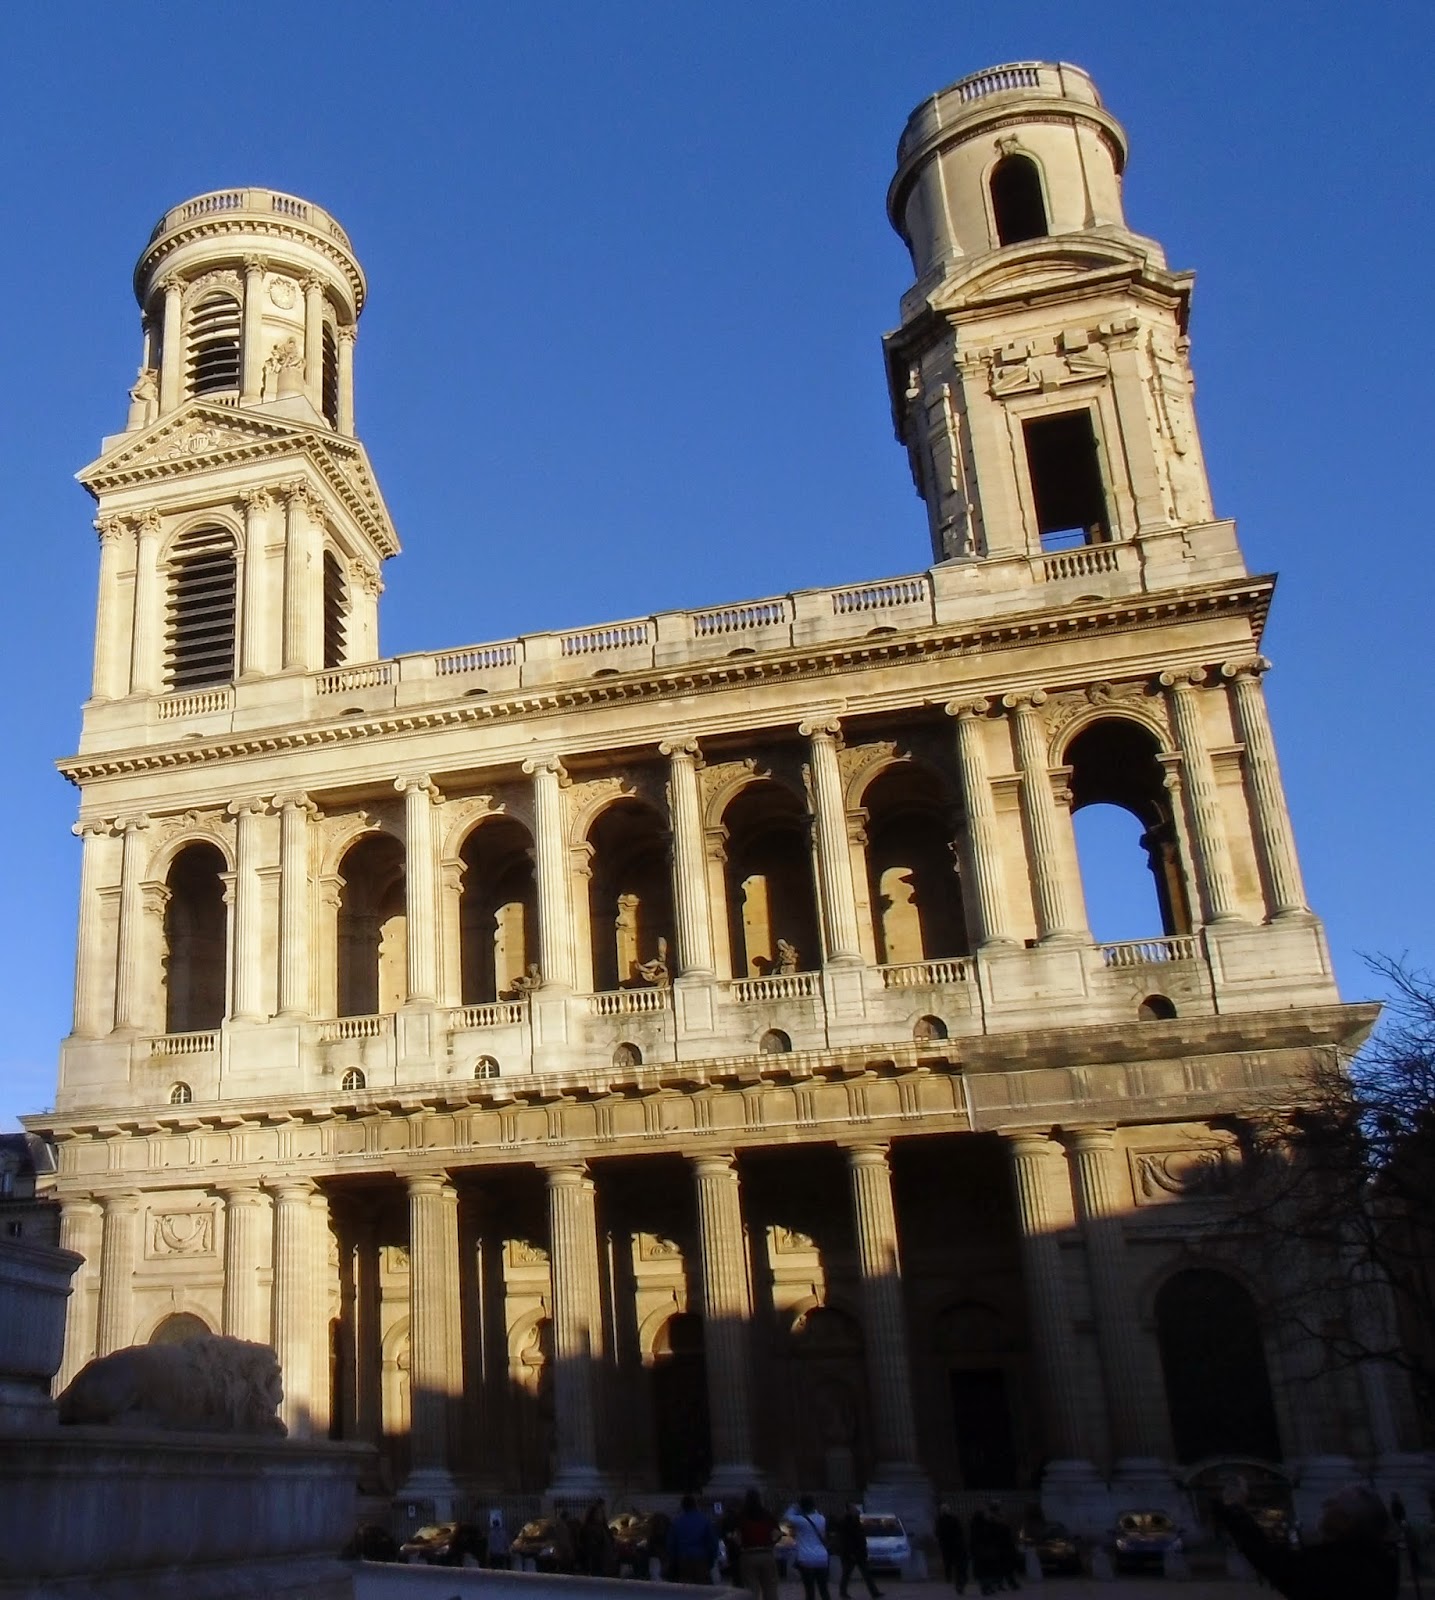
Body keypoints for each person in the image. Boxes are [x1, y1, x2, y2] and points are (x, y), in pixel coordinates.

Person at [1214, 1476, 1398, 1600]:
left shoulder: (1334, 1567)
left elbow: (1268, 1558)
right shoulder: (1381, 1561)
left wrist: (1235, 1508)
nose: (1325, 1504)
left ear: (1346, 1521)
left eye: (1333, 1503)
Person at [735, 1488, 781, 1600]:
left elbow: (737, 1538)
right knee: (770, 1588)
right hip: (766, 1553)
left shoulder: (742, 1516)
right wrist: (771, 1544)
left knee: (751, 1590)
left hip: (748, 1554)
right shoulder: (767, 1515)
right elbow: (777, 1534)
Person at [784, 1495, 832, 1600]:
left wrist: (794, 1506)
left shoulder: (800, 1520)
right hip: (822, 1557)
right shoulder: (821, 1518)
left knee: (809, 1591)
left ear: (802, 1507)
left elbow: (787, 1516)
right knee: (824, 1589)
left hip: (806, 1558)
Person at [668, 1495, 719, 1585]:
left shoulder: (677, 1522)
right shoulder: (704, 1520)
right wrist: (712, 1559)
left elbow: (671, 1544)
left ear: (683, 1506)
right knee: (703, 1588)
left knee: (687, 1588)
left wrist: (674, 1560)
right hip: (701, 1559)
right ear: (695, 1505)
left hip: (683, 1559)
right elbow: (712, 1542)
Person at [968, 1504, 1018, 1596]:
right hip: (986, 1550)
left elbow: (974, 1539)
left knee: (985, 1570)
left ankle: (987, 1587)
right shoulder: (985, 1524)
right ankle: (988, 1587)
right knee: (988, 1570)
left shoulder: (978, 1524)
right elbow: (992, 1534)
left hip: (983, 1550)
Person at [835, 1504, 882, 1600]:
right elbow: (846, 1540)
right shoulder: (846, 1522)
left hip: (858, 1552)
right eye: (853, 1509)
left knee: (865, 1574)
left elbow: (859, 1537)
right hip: (851, 1553)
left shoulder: (855, 1521)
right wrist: (851, 1552)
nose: (856, 1510)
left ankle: (874, 1592)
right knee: (847, 1574)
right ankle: (843, 1592)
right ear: (849, 1511)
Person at [937, 1503, 969, 1592]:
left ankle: (949, 1577)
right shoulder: (953, 1519)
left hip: (947, 1545)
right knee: (957, 1563)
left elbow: (938, 1533)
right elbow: (960, 1531)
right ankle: (957, 1579)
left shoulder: (940, 1520)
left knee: (948, 1561)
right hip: (955, 1545)